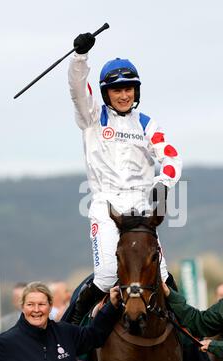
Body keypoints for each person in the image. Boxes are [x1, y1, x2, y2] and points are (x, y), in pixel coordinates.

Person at [68, 33, 182, 323]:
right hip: (106, 206)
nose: (123, 95)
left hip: (141, 207)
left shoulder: (146, 123)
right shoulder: (92, 117)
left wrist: (163, 183)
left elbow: (170, 157)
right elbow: (78, 89)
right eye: (117, 90)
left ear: (136, 91)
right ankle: (69, 329)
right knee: (107, 276)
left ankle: (188, 338)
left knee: (164, 275)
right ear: (107, 93)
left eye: (129, 88)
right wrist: (79, 58)